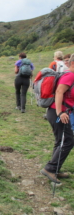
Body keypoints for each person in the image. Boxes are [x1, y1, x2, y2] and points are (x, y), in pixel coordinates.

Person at [40, 53, 74, 184]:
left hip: (57, 112)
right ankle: (50, 169)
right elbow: (59, 92)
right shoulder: (70, 75)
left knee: (61, 141)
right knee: (68, 141)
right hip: (57, 113)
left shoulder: (69, 75)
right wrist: (60, 113)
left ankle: (55, 168)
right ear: (73, 63)